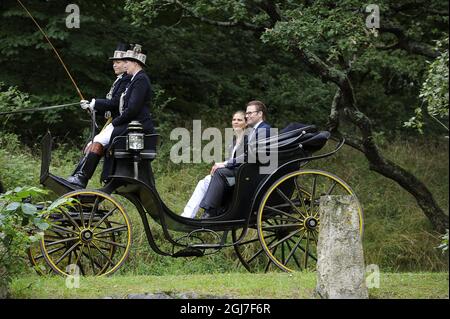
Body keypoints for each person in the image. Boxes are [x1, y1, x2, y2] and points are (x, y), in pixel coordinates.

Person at [67, 44, 155, 188]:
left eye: (126, 61)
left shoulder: (141, 79)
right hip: (129, 124)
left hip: (137, 126)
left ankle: (82, 178)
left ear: (135, 62)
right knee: (96, 141)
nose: (124, 65)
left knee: (99, 139)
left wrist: (115, 123)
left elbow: (132, 109)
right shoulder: (135, 79)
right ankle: (79, 176)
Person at [199, 100, 271, 219]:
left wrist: (226, 163)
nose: (247, 116)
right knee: (218, 173)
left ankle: (210, 212)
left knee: (220, 172)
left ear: (260, 114)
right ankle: (218, 210)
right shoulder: (254, 131)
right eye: (246, 113)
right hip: (248, 169)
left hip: (255, 172)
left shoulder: (264, 130)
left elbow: (251, 156)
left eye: (250, 113)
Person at [181, 110, 247, 218]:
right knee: (204, 182)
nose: (235, 122)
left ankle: (208, 213)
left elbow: (244, 159)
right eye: (234, 119)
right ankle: (187, 216)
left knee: (210, 178)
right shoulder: (233, 140)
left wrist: (224, 164)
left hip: (239, 177)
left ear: (246, 123)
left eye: (239, 120)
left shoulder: (247, 139)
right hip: (229, 174)